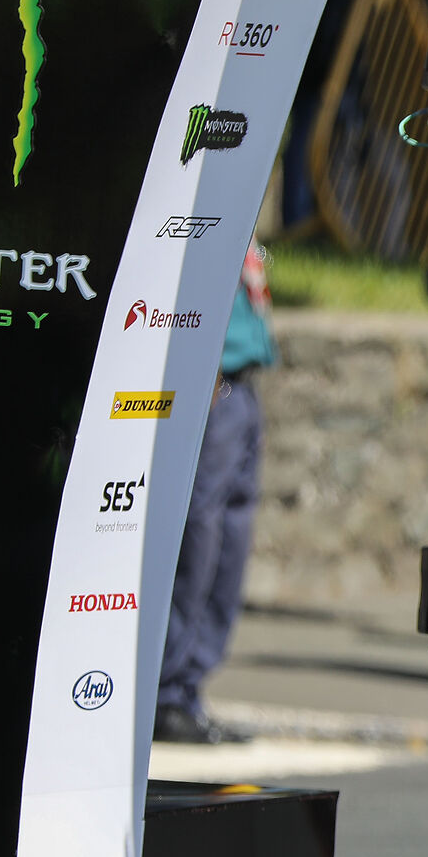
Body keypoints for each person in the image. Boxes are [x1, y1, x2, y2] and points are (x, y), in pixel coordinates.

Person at [155, 241, 275, 745]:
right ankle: (166, 691)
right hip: (212, 383)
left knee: (229, 539)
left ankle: (190, 684)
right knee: (197, 537)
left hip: (241, 387)